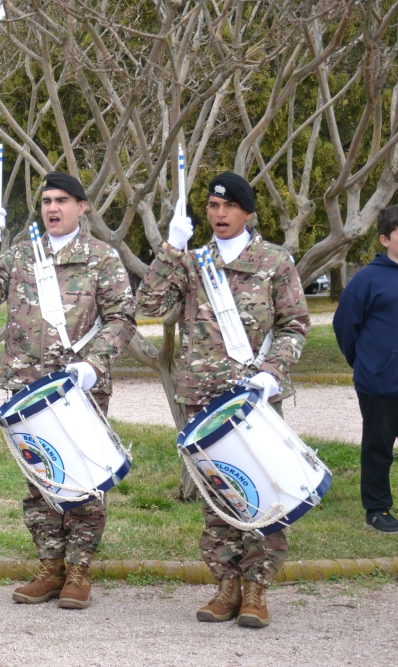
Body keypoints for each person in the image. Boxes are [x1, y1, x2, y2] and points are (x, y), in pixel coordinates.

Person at [137, 172, 310, 628]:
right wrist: (172, 248)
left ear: (248, 213)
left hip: (254, 399)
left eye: (229, 207)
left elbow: (294, 325)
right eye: (213, 208)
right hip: (204, 397)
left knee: (262, 491)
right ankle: (226, 585)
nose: (219, 215)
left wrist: (272, 375)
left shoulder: (274, 261)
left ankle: (256, 589)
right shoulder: (194, 263)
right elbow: (148, 305)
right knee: (220, 492)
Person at [0, 172, 136, 609]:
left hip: (78, 388)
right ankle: (50, 567)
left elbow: (122, 318)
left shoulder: (101, 257)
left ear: (82, 207)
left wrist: (92, 365)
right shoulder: (23, 254)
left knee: (83, 478)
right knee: (40, 478)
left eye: (62, 200)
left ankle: (79, 571)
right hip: (26, 388)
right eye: (46, 201)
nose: (52, 208)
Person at [333, 205, 398, 533]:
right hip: (380, 383)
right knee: (379, 448)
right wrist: (365, 363)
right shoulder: (367, 280)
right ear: (385, 238)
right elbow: (345, 326)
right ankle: (377, 511)